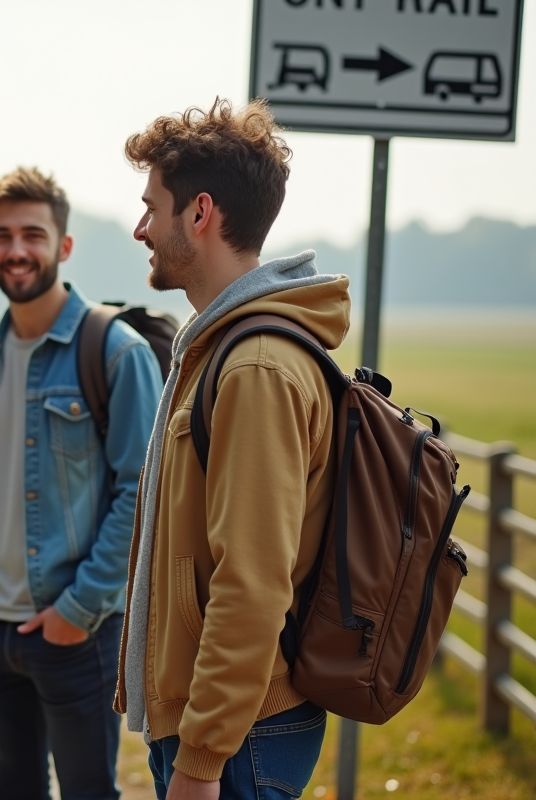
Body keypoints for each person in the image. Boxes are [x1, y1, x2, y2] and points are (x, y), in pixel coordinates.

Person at [115, 99, 351, 800]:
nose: (141, 229)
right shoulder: (221, 349)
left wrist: (203, 758)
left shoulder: (254, 367)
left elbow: (251, 583)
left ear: (200, 214)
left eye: (151, 207)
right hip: (222, 729)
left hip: (238, 739)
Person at [0, 167, 163, 800]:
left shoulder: (114, 351)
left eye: (32, 234)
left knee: (90, 790)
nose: (16, 250)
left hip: (77, 631)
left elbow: (140, 493)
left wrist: (79, 608)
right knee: (11, 788)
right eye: (1, 235)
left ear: (63, 246)